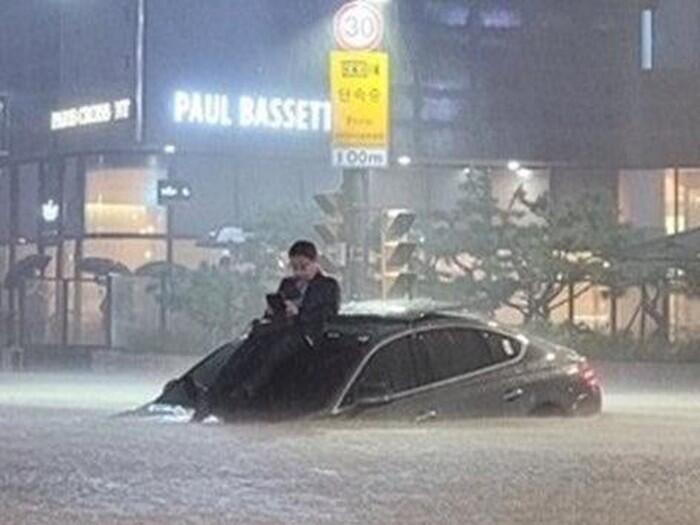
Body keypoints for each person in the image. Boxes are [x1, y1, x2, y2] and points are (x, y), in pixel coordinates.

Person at [192, 240, 340, 421]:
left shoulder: (328, 285)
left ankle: (246, 390)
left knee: (275, 350)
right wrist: (273, 311)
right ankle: (215, 390)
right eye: (294, 267)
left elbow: (328, 315)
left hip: (306, 333)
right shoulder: (288, 283)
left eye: (303, 267)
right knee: (248, 345)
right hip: (282, 328)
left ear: (315, 262)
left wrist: (299, 312)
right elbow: (274, 313)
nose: (299, 272)